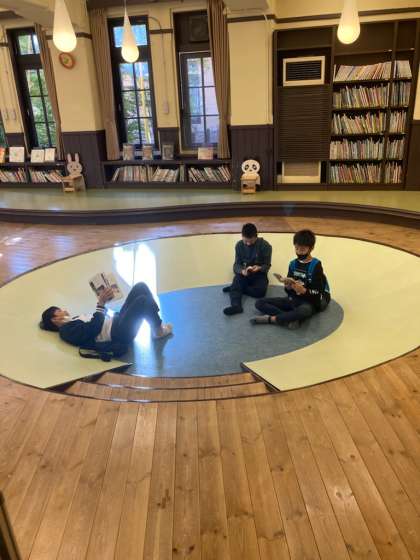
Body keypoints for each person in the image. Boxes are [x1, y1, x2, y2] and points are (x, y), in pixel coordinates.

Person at [40, 282, 172, 356]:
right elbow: (93, 329)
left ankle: (156, 326)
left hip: (117, 320)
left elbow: (98, 319)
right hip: (119, 332)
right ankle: (158, 331)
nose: (64, 310)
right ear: (54, 320)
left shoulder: (73, 320)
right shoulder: (66, 331)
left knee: (140, 287)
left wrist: (104, 303)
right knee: (142, 301)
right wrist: (101, 304)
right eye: (59, 311)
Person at [251, 229, 330, 328]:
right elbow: (289, 291)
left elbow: (318, 294)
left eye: (302, 250)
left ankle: (272, 319)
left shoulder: (316, 265)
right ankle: (290, 318)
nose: (299, 252)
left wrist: (304, 291)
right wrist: (288, 287)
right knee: (259, 303)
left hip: (310, 302)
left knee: (304, 310)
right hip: (294, 299)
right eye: (296, 249)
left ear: (311, 248)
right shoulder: (293, 264)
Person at [223, 223, 272, 315]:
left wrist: (260, 268)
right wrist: (242, 271)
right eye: (245, 241)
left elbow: (267, 265)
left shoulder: (265, 246)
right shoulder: (239, 245)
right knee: (237, 279)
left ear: (256, 236)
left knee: (261, 292)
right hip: (244, 273)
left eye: (251, 241)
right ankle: (236, 306)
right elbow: (236, 265)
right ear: (242, 236)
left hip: (259, 274)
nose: (248, 244)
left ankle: (235, 288)